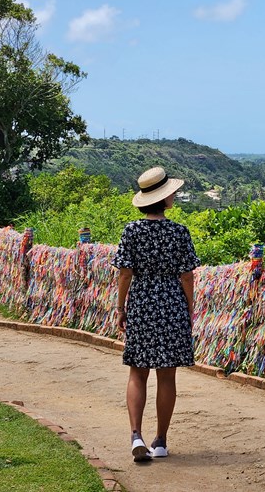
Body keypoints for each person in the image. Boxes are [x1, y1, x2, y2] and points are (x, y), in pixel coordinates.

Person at [112, 166, 200, 462]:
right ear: (165, 198)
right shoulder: (179, 232)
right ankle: (160, 440)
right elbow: (187, 276)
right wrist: (188, 307)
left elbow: (125, 274)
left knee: (138, 371)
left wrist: (120, 307)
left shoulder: (131, 231)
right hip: (172, 304)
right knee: (167, 375)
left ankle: (136, 435)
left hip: (141, 303)